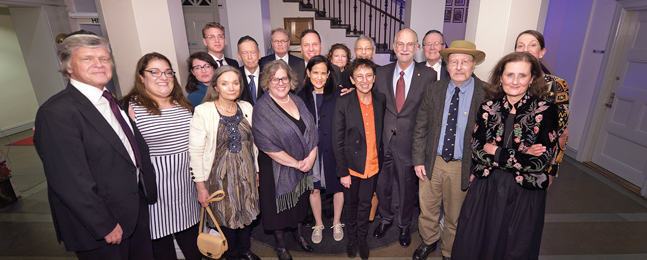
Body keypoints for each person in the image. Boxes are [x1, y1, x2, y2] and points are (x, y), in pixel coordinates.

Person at [33, 33, 157, 259]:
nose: (99, 65)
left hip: (132, 211)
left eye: (104, 59)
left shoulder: (110, 100)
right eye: (87, 59)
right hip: (102, 226)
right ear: (68, 67)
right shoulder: (57, 112)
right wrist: (104, 225)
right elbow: (69, 180)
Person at [451, 52, 559, 260]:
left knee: (514, 249)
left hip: (524, 193)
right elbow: (476, 149)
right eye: (510, 75)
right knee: (473, 244)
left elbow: (539, 162)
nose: (515, 82)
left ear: (532, 78)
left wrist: (495, 151)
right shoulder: (488, 107)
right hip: (486, 188)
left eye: (522, 76)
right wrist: (520, 154)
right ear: (500, 77)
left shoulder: (546, 111)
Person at [120, 52, 201, 260]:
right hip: (155, 194)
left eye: (167, 72)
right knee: (163, 252)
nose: (163, 77)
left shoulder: (183, 104)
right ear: (141, 77)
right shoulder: (129, 107)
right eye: (154, 72)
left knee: (195, 250)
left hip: (186, 189)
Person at [411, 40, 487, 260]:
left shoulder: (485, 94)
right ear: (447, 65)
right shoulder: (435, 89)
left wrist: (478, 168)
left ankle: (448, 251)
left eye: (465, 62)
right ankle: (428, 241)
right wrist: (418, 160)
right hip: (431, 162)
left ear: (473, 65)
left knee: (455, 215)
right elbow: (421, 126)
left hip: (462, 166)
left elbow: (488, 136)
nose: (459, 67)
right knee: (428, 209)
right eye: (454, 62)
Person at [373, 28, 436, 248]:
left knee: (407, 188)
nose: (405, 49)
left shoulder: (428, 75)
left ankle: (403, 225)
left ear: (417, 47)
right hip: (383, 142)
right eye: (400, 44)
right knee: (382, 185)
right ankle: (386, 218)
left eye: (410, 44)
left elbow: (429, 113)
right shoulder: (380, 72)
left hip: (410, 143)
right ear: (393, 46)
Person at [189, 65, 261, 260]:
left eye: (235, 83)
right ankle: (231, 254)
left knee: (246, 213)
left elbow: (253, 144)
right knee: (225, 218)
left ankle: (245, 250)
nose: (231, 87)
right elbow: (196, 151)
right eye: (225, 83)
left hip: (246, 175)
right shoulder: (204, 111)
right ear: (216, 86)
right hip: (219, 179)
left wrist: (257, 171)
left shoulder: (247, 107)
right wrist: (200, 187)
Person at [252, 60, 318, 260]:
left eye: (284, 78)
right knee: (277, 209)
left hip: (303, 163)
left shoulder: (297, 100)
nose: (280, 83)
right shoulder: (262, 108)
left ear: (290, 80)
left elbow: (312, 131)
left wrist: (311, 156)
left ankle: (299, 235)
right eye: (275, 79)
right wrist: (297, 163)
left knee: (299, 203)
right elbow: (266, 145)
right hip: (275, 169)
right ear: (267, 82)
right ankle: (280, 245)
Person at [332, 58, 386, 260]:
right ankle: (352, 238)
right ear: (352, 80)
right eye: (359, 77)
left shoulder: (380, 99)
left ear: (374, 78)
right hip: (351, 167)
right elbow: (337, 140)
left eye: (369, 76)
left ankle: (362, 239)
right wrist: (342, 172)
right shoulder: (344, 101)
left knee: (365, 205)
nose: (365, 80)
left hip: (373, 164)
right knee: (351, 205)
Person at [296, 55, 344, 244]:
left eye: (323, 73)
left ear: (329, 74)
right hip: (311, 151)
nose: (319, 77)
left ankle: (338, 222)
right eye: (315, 72)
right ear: (308, 73)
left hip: (333, 150)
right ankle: (318, 223)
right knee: (314, 190)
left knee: (338, 188)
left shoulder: (340, 94)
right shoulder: (300, 96)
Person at [515, 29, 569, 178]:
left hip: (536, 165)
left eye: (532, 45)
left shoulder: (556, 85)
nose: (525, 50)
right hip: (506, 159)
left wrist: (551, 171)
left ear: (542, 52)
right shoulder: (506, 82)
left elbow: (561, 132)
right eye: (520, 46)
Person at [237, 36, 263, 105]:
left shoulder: (270, 74)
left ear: (259, 54)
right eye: (245, 53)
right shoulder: (235, 76)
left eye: (253, 52)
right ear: (239, 56)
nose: (250, 57)